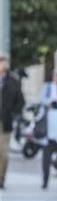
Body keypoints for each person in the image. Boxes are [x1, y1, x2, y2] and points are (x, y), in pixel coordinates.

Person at [0, 54, 25, 188]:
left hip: (5, 121)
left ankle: (1, 179)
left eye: (3, 62)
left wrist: (13, 113)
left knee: (3, 152)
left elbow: (20, 101)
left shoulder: (12, 81)